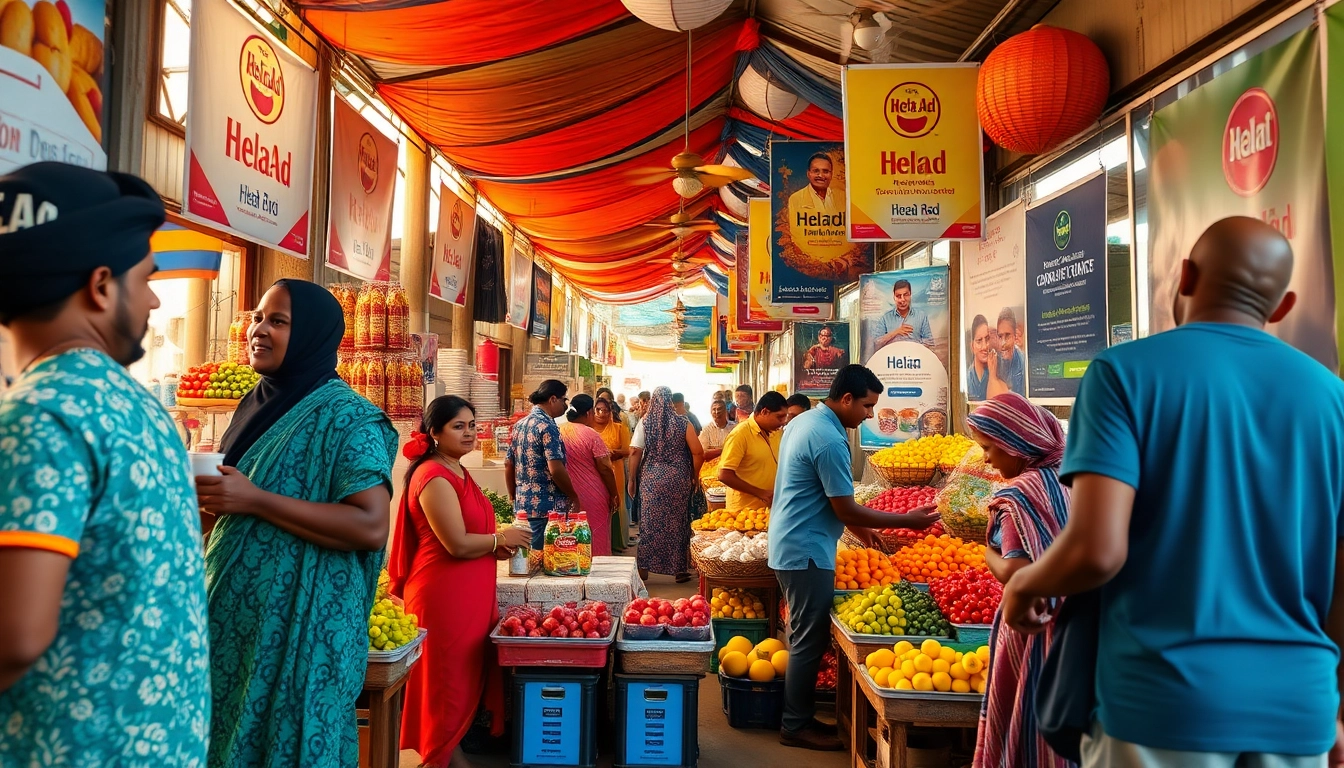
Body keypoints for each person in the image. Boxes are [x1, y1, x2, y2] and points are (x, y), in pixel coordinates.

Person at [1002, 217, 1344, 767]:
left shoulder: (1123, 374)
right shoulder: (1335, 400)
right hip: (1298, 709)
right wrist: (1334, 706)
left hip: (1160, 706)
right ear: (1281, 307)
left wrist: (1027, 584)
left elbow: (1096, 550)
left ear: (1184, 276)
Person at [0, 163, 210, 765]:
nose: (152, 297)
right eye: (145, 278)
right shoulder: (132, 406)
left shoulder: (43, 411)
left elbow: (14, 635)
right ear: (99, 286)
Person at [201, 279, 399, 767]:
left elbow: (370, 525)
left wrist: (255, 500)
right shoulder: (253, 404)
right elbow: (233, 507)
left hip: (302, 636)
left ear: (312, 334)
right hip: (233, 630)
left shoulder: (349, 418)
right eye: (257, 318)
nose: (259, 330)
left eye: (278, 321)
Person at [769, 365, 940, 751]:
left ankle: (799, 718)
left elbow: (825, 496)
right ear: (846, 399)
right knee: (808, 641)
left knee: (803, 636)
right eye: (866, 406)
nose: (869, 415)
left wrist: (866, 532)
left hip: (792, 541)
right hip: (807, 550)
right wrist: (906, 522)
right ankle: (794, 725)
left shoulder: (806, 420)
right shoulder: (830, 439)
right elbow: (845, 508)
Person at [390, 396, 531, 768]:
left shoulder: (456, 470)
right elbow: (455, 543)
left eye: (471, 425)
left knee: (462, 679)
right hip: (443, 596)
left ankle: (451, 759)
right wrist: (501, 540)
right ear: (434, 432)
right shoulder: (433, 476)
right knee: (446, 686)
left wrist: (494, 546)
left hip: (467, 592)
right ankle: (442, 759)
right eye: (458, 426)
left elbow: (471, 536)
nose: (469, 433)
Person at [964, 394, 1073, 768]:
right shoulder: (1075, 479)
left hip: (1033, 626)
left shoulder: (1018, 495)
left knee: (1025, 713)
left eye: (990, 448)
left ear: (1017, 445)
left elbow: (1016, 571)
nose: (986, 458)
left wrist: (986, 553)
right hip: (1080, 624)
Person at [628, 387, 704, 583]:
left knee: (649, 522)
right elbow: (697, 451)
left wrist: (632, 478)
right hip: (678, 478)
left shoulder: (645, 422)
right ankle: (679, 570)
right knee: (678, 522)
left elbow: (635, 451)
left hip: (651, 478)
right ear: (670, 401)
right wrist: (694, 475)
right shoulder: (682, 422)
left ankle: (644, 569)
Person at [506, 380, 581, 550]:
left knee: (526, 560)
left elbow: (508, 464)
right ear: (553, 399)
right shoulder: (548, 427)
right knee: (546, 560)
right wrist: (573, 496)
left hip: (523, 506)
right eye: (564, 400)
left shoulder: (519, 425)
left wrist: (514, 496)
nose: (566, 405)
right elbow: (556, 469)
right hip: (547, 508)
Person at [558, 394, 618, 557]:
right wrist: (614, 494)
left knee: (570, 537)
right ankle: (597, 576)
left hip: (565, 492)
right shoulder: (591, 435)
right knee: (595, 535)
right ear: (589, 412)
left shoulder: (558, 431)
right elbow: (605, 468)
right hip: (593, 495)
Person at [719, 392, 788, 511]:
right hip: (744, 512)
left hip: (770, 509)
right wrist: (760, 493)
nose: (783, 422)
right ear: (764, 412)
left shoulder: (777, 433)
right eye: (779, 417)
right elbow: (724, 475)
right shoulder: (740, 434)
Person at [593, 398, 632, 552]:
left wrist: (613, 453)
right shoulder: (589, 428)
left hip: (616, 469)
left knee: (616, 502)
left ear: (610, 412)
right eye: (598, 410)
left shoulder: (619, 428)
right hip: (595, 472)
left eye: (605, 410)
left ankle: (615, 542)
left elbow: (628, 451)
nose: (601, 413)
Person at [868, 279, 934, 358]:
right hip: (892, 363)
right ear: (894, 297)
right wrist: (896, 332)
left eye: (906, 295)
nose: (902, 300)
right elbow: (876, 344)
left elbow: (930, 344)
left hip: (915, 364)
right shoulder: (886, 318)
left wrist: (914, 350)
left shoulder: (921, 316)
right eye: (898, 296)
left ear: (910, 295)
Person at [967, 315, 1011, 403]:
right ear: (972, 346)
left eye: (987, 339)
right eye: (979, 341)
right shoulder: (969, 377)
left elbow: (1002, 402)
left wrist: (992, 375)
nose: (984, 346)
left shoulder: (1000, 364)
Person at [995, 308, 1027, 396]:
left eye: (1007, 336)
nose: (1003, 343)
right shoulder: (994, 361)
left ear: (1015, 336)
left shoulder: (1023, 363)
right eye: (1000, 336)